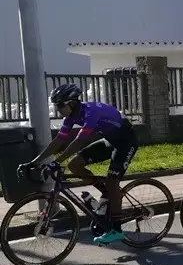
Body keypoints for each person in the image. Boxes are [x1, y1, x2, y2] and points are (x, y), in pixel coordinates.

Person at [19, 83, 138, 245]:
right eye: (56, 106)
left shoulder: (91, 112)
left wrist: (57, 162)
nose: (58, 109)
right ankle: (107, 196)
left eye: (60, 105)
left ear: (72, 103)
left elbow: (80, 140)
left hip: (126, 142)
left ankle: (116, 229)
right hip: (110, 140)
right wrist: (34, 162)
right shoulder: (70, 117)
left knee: (112, 181)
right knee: (75, 164)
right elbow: (59, 141)